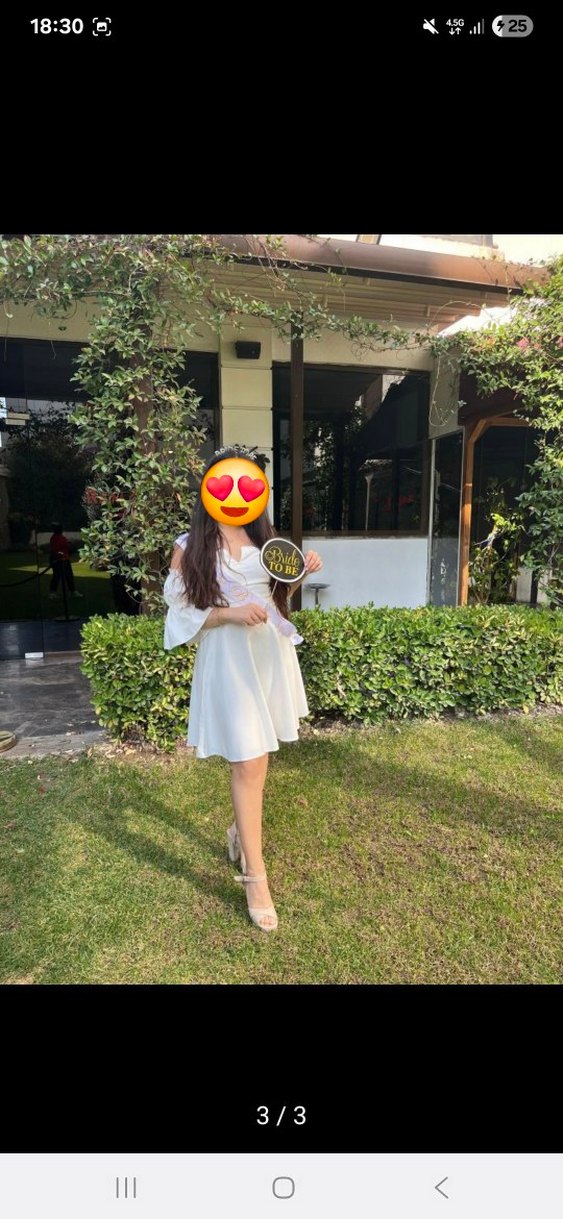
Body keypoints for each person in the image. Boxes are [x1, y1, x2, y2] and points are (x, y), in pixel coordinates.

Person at [163, 445, 323, 933]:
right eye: (224, 483)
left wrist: (302, 574)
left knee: (259, 757)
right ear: (207, 490)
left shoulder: (266, 539)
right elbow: (180, 610)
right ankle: (256, 877)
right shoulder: (190, 545)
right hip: (229, 661)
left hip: (268, 655)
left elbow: (277, 598)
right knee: (249, 761)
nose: (236, 494)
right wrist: (229, 613)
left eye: (247, 485)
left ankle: (239, 831)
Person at [48, 523, 83, 599]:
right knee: (58, 576)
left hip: (63, 559)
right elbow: (57, 549)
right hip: (59, 560)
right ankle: (53, 592)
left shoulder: (57, 537)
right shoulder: (57, 538)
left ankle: (72, 591)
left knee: (66, 576)